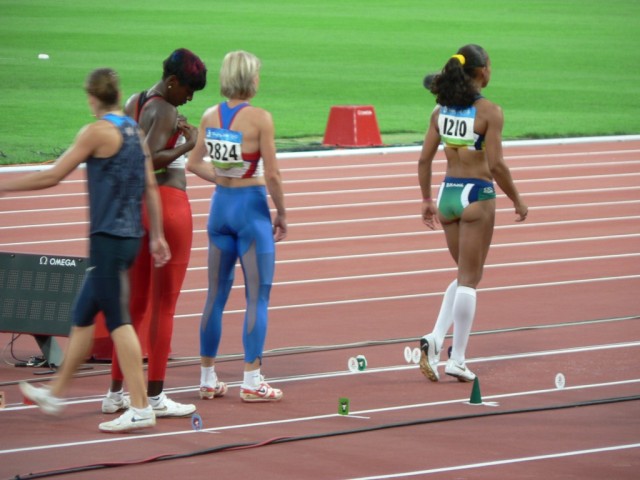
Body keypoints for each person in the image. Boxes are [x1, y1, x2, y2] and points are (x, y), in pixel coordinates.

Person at [0, 68, 171, 432]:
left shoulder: (95, 132)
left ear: (91, 97)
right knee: (81, 316)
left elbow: (52, 175)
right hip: (129, 237)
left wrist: (5, 187)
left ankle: (141, 407)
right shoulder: (132, 130)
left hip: (107, 238)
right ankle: (55, 392)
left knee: (119, 320)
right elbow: (151, 187)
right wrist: (156, 236)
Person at [101, 48, 207, 418]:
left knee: (135, 305)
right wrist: (189, 144)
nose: (190, 98)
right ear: (173, 82)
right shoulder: (165, 109)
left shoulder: (136, 100)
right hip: (168, 207)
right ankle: (157, 396)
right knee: (164, 306)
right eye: (189, 90)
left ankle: (115, 393)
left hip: (136, 209)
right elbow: (145, 159)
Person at [417, 45, 528, 383]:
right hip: (477, 195)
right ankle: (458, 359)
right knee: (470, 280)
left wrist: (425, 200)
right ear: (482, 72)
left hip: (448, 194)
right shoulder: (490, 112)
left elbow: (423, 160)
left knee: (465, 274)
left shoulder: (440, 112)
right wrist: (517, 199)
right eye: (491, 66)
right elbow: (495, 164)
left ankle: (436, 339)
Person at [187, 50, 287, 402]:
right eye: (257, 74)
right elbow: (272, 174)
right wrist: (283, 212)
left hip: (220, 209)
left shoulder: (209, 115)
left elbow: (193, 163)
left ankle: (207, 377)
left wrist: (223, 178)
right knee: (257, 297)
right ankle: (252, 380)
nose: (259, 80)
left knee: (214, 296)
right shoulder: (260, 119)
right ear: (249, 79)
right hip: (250, 211)